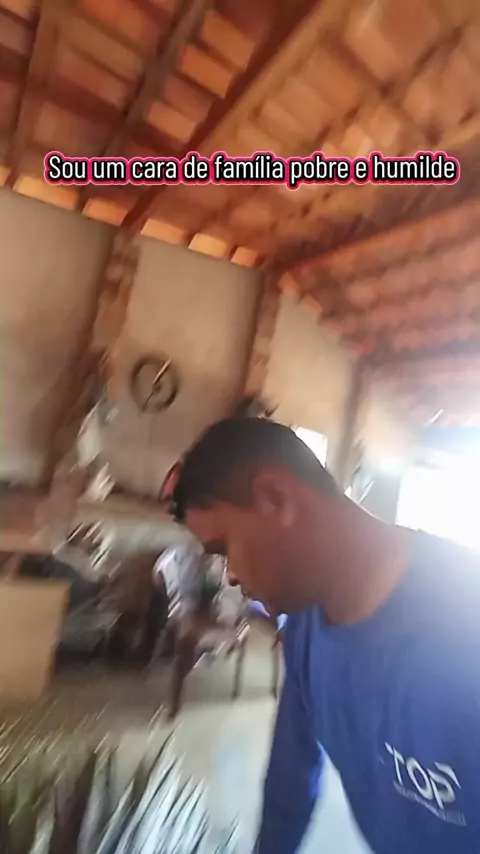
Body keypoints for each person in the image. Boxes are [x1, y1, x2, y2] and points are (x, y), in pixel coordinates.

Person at [166, 417, 480, 854]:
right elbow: (290, 780)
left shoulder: (464, 624)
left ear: (276, 498)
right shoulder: (305, 630)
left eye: (223, 549)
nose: (230, 575)